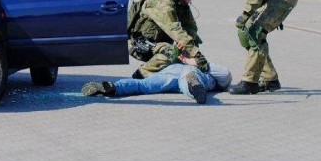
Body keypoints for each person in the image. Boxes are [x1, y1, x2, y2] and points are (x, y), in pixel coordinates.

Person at [127, 0, 209, 79]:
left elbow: (191, 26)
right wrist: (197, 54)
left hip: (158, 43)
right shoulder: (161, 4)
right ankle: (140, 75)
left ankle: (158, 70)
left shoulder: (181, 3)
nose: (189, 1)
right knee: (172, 54)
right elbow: (174, 29)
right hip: (139, 43)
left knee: (183, 53)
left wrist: (186, 44)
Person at [82, 58, 233, 105]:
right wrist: (195, 63)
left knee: (144, 85)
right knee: (191, 82)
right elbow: (226, 75)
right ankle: (194, 87)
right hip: (189, 72)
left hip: (171, 70)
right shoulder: (212, 76)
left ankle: (113, 87)